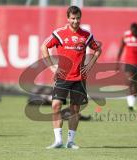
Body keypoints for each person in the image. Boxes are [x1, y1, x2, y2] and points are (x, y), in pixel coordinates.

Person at [41, 6, 101, 149]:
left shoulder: (86, 35)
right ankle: (58, 141)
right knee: (56, 105)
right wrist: (51, 67)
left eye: (78, 18)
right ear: (68, 19)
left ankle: (70, 142)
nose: (75, 21)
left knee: (75, 109)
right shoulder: (59, 34)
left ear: (80, 18)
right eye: (73, 18)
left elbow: (98, 49)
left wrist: (90, 65)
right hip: (62, 77)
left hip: (79, 78)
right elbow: (44, 47)